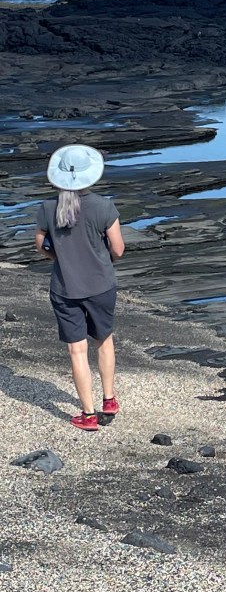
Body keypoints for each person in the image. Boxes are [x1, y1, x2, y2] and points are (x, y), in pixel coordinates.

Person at [34, 144, 125, 431]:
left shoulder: (47, 208)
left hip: (65, 287)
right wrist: (102, 259)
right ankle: (109, 400)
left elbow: (41, 247)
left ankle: (88, 415)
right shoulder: (104, 206)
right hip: (101, 284)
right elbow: (118, 249)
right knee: (104, 340)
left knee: (77, 351)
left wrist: (59, 257)